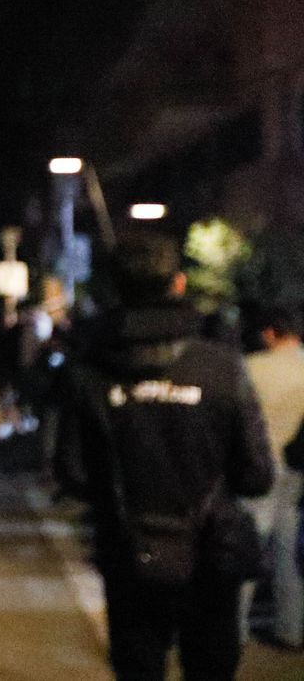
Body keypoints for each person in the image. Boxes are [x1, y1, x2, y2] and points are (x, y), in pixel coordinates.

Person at [56, 231, 274, 681]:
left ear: (117, 291)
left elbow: (72, 472)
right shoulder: (222, 368)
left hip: (129, 552)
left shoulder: (90, 374)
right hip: (211, 555)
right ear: (178, 285)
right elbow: (257, 475)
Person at [241, 306, 304, 647]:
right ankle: (291, 629)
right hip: (295, 471)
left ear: (269, 333)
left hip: (257, 468)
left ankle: (233, 630)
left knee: (247, 549)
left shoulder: (251, 368)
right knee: (287, 551)